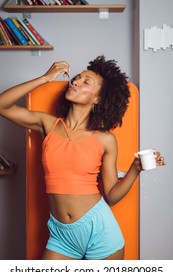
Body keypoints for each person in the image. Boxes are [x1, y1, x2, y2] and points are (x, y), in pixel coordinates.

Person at [0, 55, 165, 260]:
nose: (76, 81)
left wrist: (135, 169)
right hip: (61, 236)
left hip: (99, 232)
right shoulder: (48, 124)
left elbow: (112, 196)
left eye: (87, 82)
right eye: (77, 78)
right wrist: (45, 78)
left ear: (97, 99)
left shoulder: (105, 139)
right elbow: (2, 105)